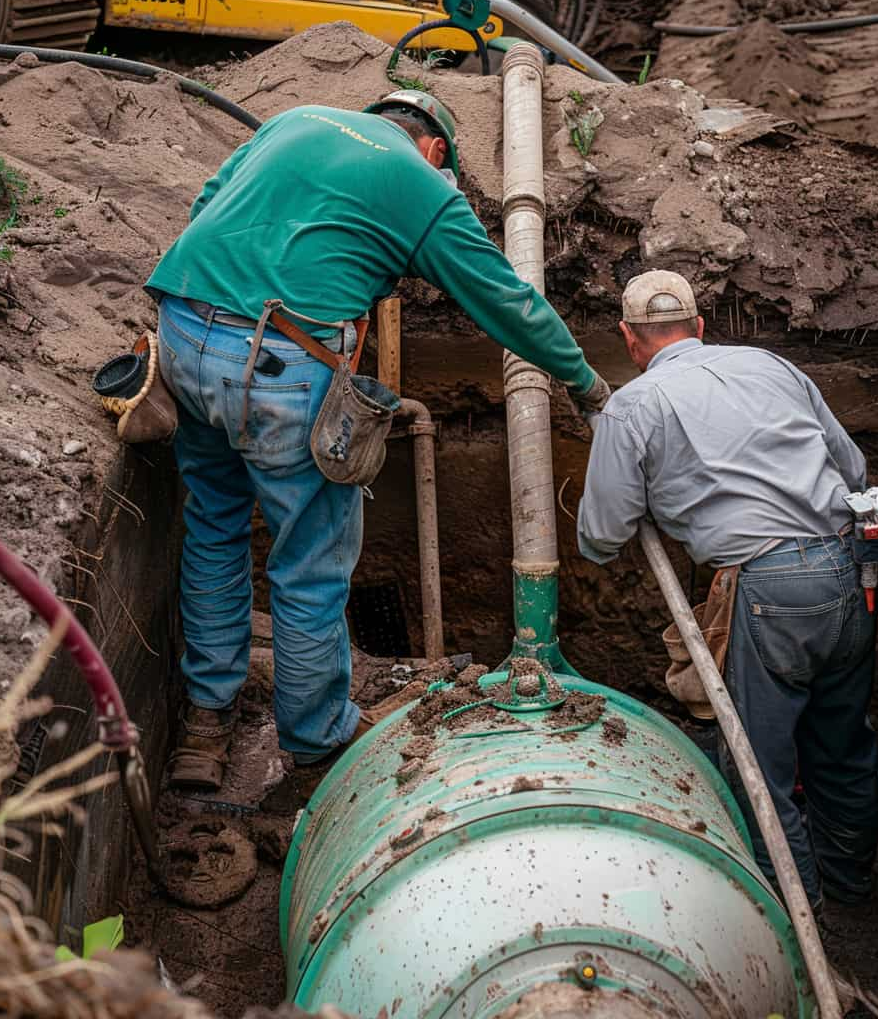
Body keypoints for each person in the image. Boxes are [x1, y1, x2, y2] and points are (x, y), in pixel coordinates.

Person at [146, 91, 610, 798]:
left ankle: (205, 727)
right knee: (307, 563)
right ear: (436, 152)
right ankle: (315, 739)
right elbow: (505, 300)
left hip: (182, 334)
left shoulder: (295, 118)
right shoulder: (421, 185)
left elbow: (210, 199)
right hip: (279, 370)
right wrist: (584, 383)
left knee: (213, 527)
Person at [577, 270, 878, 912]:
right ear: (701, 327)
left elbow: (602, 534)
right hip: (849, 566)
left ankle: (805, 920)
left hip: (769, 590)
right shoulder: (772, 366)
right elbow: (852, 469)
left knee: (755, 768)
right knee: (843, 742)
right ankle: (854, 890)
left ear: (630, 338)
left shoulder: (632, 406)